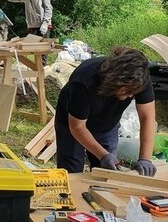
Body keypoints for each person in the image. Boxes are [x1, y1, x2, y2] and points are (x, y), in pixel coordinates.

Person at [54, 46, 157, 176]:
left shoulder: (139, 78)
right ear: (115, 81)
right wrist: (103, 155)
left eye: (133, 92)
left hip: (107, 124)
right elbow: (77, 127)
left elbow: (147, 117)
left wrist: (145, 159)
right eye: (127, 91)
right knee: (71, 171)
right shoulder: (84, 81)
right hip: (73, 123)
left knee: (107, 173)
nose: (131, 96)